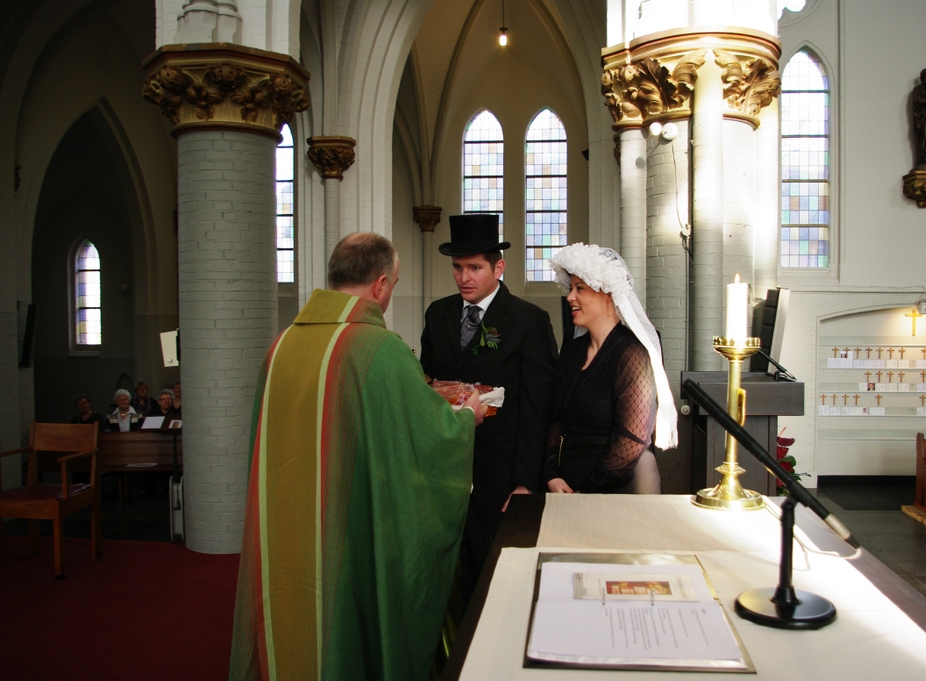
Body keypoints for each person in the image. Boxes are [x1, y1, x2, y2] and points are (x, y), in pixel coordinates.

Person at [230, 232, 486, 681]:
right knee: (341, 619)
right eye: (395, 284)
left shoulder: (280, 347)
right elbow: (431, 439)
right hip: (346, 527)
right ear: (381, 284)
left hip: (286, 526)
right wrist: (467, 418)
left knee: (289, 624)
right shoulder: (378, 349)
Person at [420, 213, 558, 601]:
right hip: (448, 468)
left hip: (500, 475)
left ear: (499, 268)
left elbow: (537, 407)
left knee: (499, 581)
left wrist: (525, 482)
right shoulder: (438, 313)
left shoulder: (529, 321)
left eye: (475, 268)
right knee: (452, 582)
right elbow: (428, 384)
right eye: (457, 267)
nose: (464, 277)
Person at [543, 243, 678, 494]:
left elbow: (632, 439)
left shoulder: (631, 353)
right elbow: (556, 418)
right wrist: (552, 474)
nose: (570, 297)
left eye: (580, 288)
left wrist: (585, 491)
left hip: (612, 487)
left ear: (608, 294)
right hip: (563, 484)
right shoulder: (572, 349)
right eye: (570, 288)